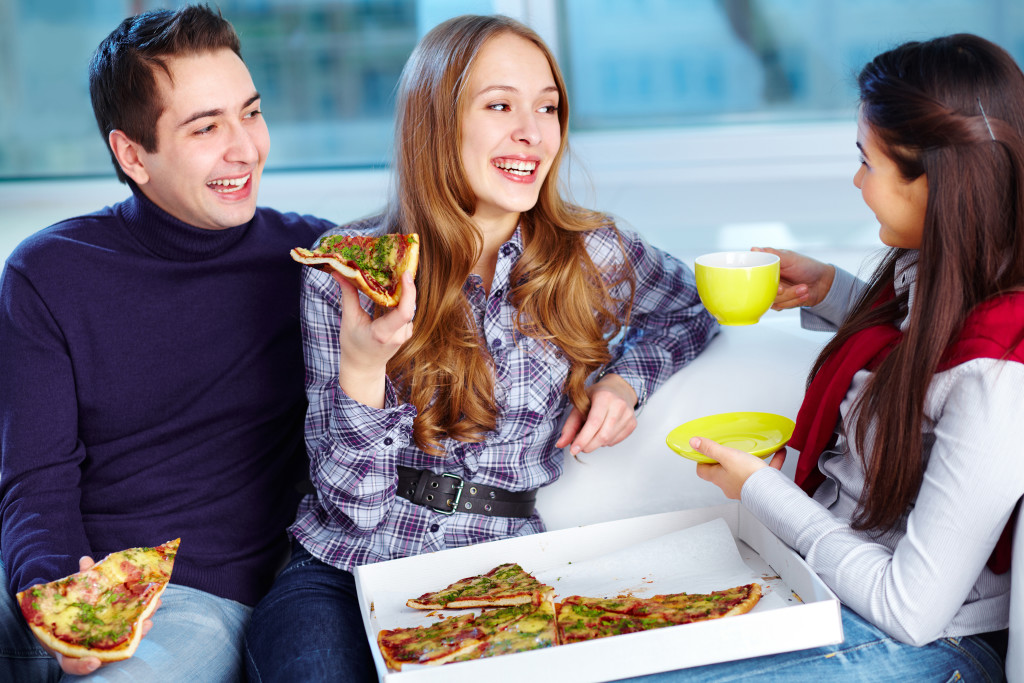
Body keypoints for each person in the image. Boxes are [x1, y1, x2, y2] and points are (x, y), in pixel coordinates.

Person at [243, 13, 718, 681]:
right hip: (343, 572)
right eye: (500, 105)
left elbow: (697, 310)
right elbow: (354, 513)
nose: (533, 132)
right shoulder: (349, 267)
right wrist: (363, 364)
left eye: (547, 107)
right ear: (436, 121)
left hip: (500, 574)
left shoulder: (597, 253)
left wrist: (625, 381)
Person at [628, 33, 1023, 681]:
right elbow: (926, 349)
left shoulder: (999, 372)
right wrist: (835, 291)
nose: (856, 179)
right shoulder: (942, 280)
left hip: (933, 647)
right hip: (832, 597)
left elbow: (911, 609)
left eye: (867, 161)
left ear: (934, 183)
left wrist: (760, 489)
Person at [0, 5, 335, 680]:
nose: (244, 147)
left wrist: (616, 378)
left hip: (199, 596)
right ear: (132, 153)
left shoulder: (318, 264)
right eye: (207, 126)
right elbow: (34, 480)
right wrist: (65, 596)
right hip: (54, 571)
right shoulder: (46, 271)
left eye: (251, 112)